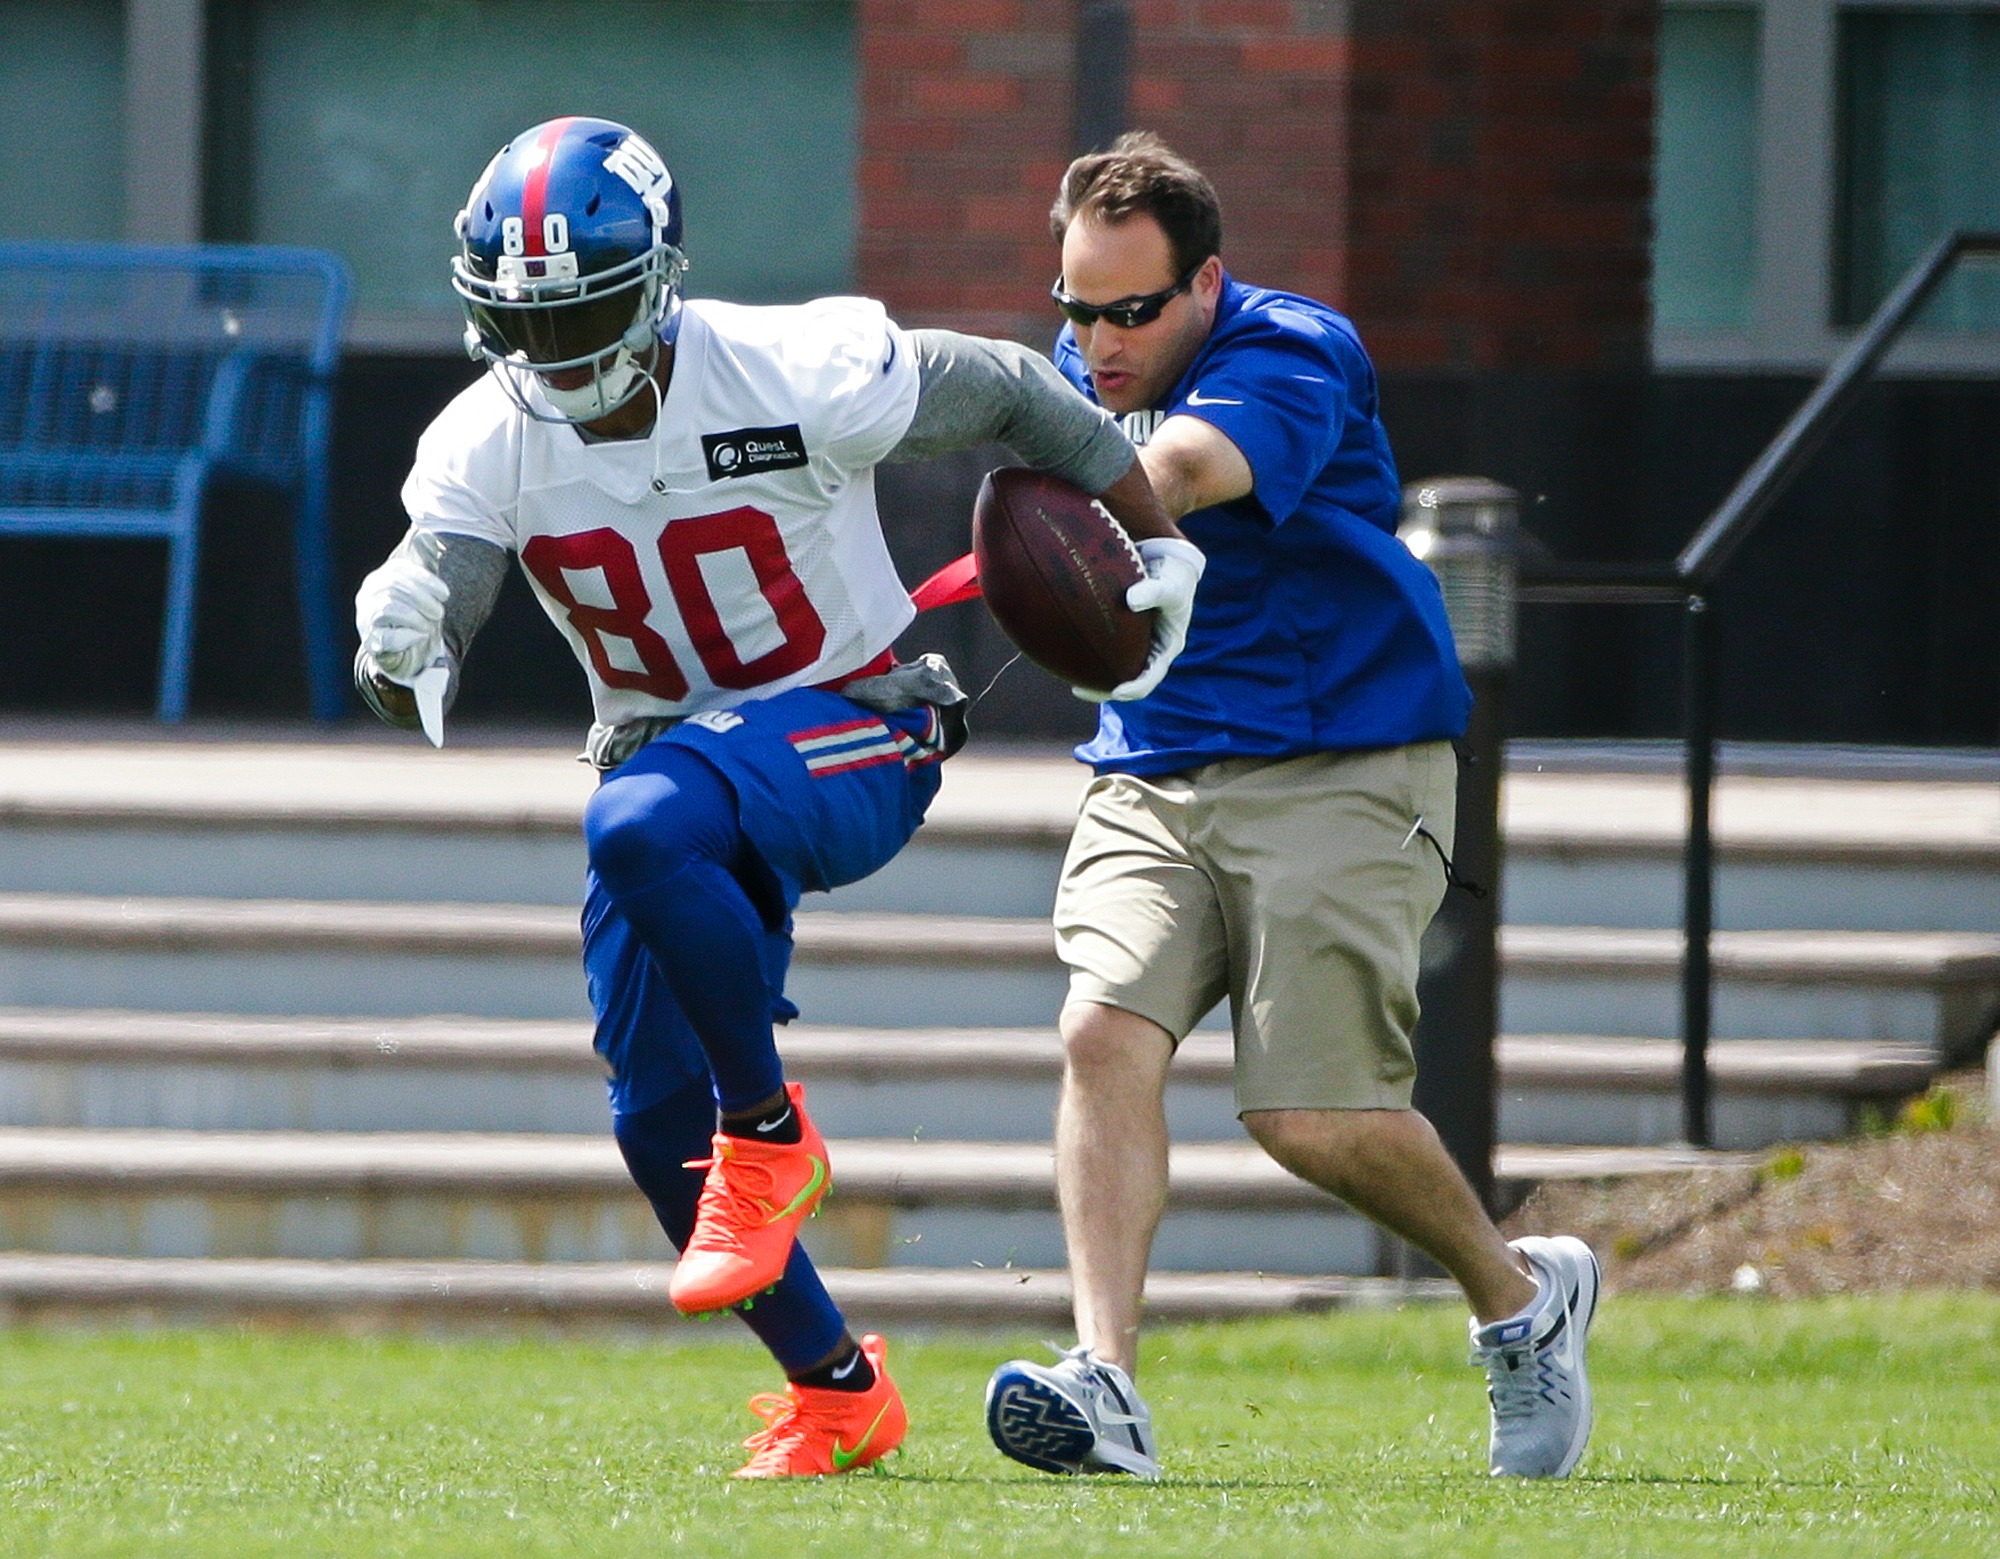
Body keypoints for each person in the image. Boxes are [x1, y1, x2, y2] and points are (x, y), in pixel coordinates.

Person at [352, 116, 1196, 1479]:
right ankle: (838, 1389)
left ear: (660, 282)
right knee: (646, 1115)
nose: (559, 358)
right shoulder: (483, 443)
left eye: (588, 317)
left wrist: (1158, 542)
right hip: (674, 766)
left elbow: (1012, 392)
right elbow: (437, 605)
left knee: (639, 826)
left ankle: (769, 1132)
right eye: (530, 325)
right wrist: (399, 641)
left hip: (858, 727)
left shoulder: (787, 368)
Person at [982, 133, 1599, 1482]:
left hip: (1345, 760)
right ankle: (1108, 1386)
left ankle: (1517, 1297)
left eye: (1131, 312)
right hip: (1152, 763)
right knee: (1100, 1031)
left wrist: (1069, 490)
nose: (1099, 341)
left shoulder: (1293, 350)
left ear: (1206, 283)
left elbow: (1191, 473)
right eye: (1075, 310)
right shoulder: (1081, 375)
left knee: (1311, 1118)